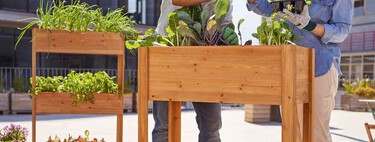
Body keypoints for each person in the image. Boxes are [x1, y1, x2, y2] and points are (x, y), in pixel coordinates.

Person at [246, 0, 354, 141]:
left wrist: (310, 25)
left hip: (319, 67)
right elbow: (270, 10)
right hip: (290, 69)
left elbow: (342, 32)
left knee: (315, 135)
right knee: (292, 134)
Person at [153, 0, 237, 142]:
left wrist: (228, 33)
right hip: (169, 54)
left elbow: (224, 21)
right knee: (164, 127)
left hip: (204, 59)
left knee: (211, 125)